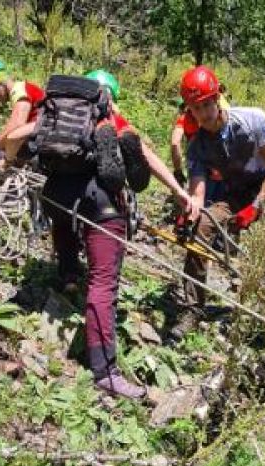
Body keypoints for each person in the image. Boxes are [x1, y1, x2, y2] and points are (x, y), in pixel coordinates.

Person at [34, 69, 199, 398]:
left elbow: (23, 138)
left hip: (55, 194)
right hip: (102, 203)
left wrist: (4, 157)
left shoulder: (54, 116)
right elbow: (146, 157)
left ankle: (67, 277)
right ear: (107, 96)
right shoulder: (108, 115)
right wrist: (179, 190)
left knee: (64, 224)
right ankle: (105, 372)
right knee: (103, 283)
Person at [167, 65, 265, 341]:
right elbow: (198, 193)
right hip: (236, 195)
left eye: (204, 105)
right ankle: (192, 307)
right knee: (200, 226)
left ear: (217, 98)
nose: (201, 114)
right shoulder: (198, 145)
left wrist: (258, 205)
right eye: (194, 108)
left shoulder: (253, 121)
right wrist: (189, 213)